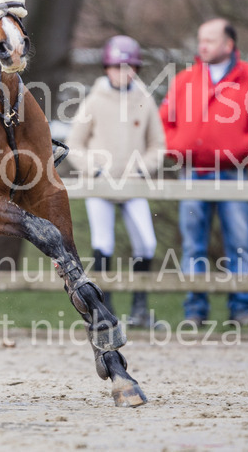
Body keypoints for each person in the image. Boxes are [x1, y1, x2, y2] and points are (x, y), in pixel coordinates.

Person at [159, 18, 248, 326]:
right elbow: (164, 121)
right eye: (201, 39)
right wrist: (178, 148)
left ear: (229, 44)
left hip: (232, 174)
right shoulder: (185, 80)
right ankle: (195, 309)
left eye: (210, 40)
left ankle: (240, 309)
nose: (203, 45)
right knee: (192, 245)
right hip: (192, 173)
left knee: (240, 244)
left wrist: (240, 149)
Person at [66, 36, 166, 328]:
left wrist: (141, 168)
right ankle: (104, 310)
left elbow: (158, 144)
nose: (123, 73)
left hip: (132, 185)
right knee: (103, 243)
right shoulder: (95, 100)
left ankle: (140, 308)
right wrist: (94, 170)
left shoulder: (144, 100)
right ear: (107, 68)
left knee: (146, 242)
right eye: (117, 67)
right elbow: (74, 143)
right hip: (100, 186)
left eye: (129, 67)